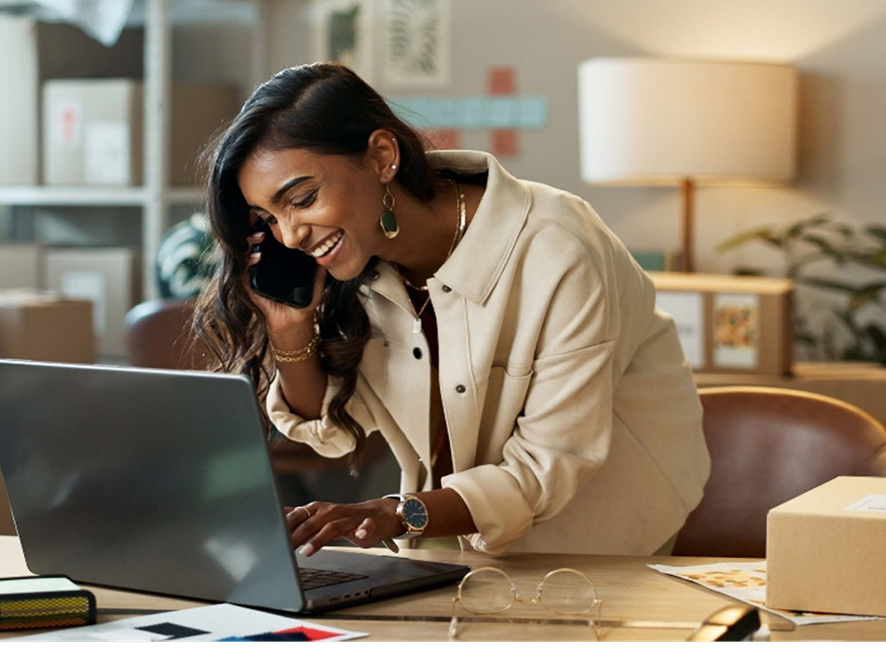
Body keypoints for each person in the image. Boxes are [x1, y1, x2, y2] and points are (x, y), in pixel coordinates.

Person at [191, 62, 710, 558]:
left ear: (380, 156)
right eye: (269, 218)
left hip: (603, 531)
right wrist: (289, 327)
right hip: (446, 524)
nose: (290, 235)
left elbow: (549, 465)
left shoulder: (556, 247)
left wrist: (395, 513)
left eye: (302, 198)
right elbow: (332, 432)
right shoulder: (357, 267)